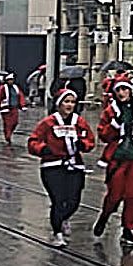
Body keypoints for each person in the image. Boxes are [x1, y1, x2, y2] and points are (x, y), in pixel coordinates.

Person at [27, 89, 95, 245]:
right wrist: (42, 149)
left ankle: (63, 218)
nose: (70, 105)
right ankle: (57, 233)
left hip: (74, 166)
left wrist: (83, 145)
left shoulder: (79, 122)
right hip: (52, 167)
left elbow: (90, 141)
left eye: (72, 102)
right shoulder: (48, 123)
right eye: (66, 101)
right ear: (59, 104)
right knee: (58, 200)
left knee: (73, 201)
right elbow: (33, 142)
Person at [95, 78, 133, 251]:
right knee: (115, 194)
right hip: (117, 158)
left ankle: (128, 229)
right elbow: (103, 135)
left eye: (125, 90)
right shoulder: (110, 111)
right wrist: (115, 124)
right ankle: (105, 215)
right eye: (119, 90)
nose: (121, 93)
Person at [0, 73, 26, 146]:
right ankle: (8, 136)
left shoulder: (16, 87)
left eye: (12, 80)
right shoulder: (3, 88)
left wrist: (22, 105)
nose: (11, 82)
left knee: (15, 122)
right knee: (8, 123)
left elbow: (20, 96)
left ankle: (9, 134)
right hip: (6, 108)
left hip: (14, 108)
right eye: (9, 80)